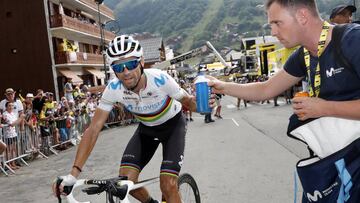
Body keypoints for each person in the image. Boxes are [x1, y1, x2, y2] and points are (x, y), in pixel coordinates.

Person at [208, 0, 360, 202]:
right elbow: (266, 89)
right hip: (333, 160)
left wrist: (323, 108)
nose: (273, 32)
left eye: (277, 23)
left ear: (303, 17)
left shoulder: (352, 39)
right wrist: (223, 86)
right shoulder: (303, 54)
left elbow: (323, 108)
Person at [52, 35, 196, 203]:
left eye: (131, 64)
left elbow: (188, 102)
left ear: (141, 61)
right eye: (119, 67)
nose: (126, 72)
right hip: (147, 130)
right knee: (124, 184)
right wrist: (73, 174)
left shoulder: (160, 79)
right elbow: (93, 130)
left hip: (172, 127)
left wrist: (203, 103)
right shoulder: (113, 89)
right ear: (114, 70)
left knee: (168, 184)